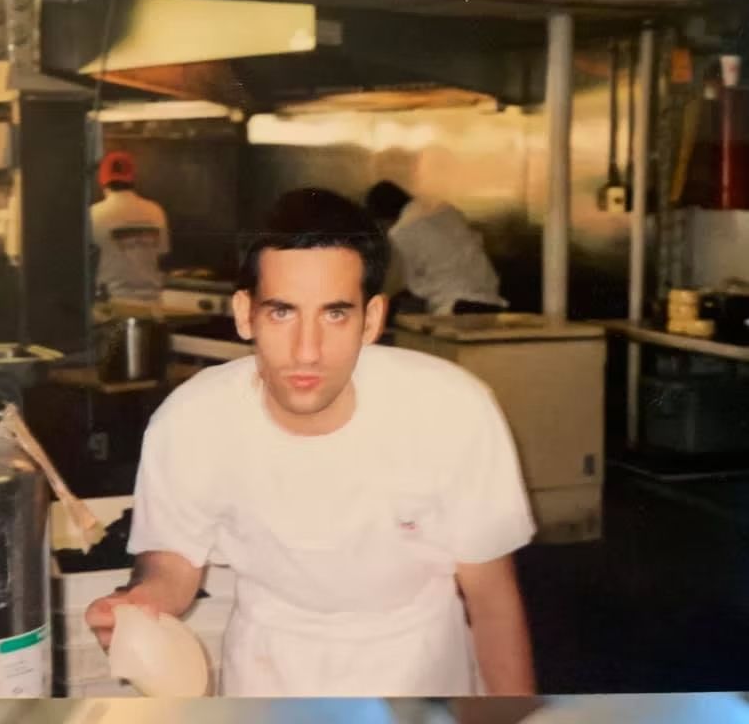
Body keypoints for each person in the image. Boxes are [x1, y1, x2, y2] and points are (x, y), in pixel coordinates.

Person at [86, 187, 536, 697]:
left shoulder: (452, 409)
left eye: (334, 314)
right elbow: (174, 559)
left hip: (420, 669)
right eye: (282, 312)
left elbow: (491, 596)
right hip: (268, 672)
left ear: (371, 320)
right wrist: (144, 600)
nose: (307, 350)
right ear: (243, 314)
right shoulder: (191, 421)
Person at [365, 181, 507, 317]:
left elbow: (387, 288)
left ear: (382, 218)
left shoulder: (401, 231)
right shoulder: (446, 210)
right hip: (493, 304)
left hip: (456, 308)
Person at [90, 150, 169, 304]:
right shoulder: (155, 211)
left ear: (102, 181)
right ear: (132, 178)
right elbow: (161, 255)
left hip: (114, 304)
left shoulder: (93, 214)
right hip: (152, 304)